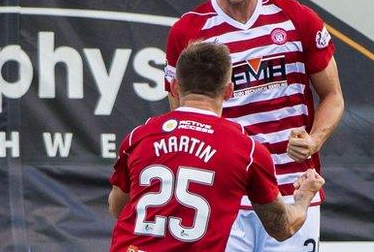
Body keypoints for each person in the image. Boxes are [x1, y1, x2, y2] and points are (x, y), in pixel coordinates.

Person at [164, 0, 344, 252]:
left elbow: (334, 96)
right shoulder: (188, 33)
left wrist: (315, 139)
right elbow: (182, 119)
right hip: (223, 196)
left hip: (293, 190)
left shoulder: (297, 18)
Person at [109, 42, 325, 252]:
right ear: (229, 90)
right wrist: (304, 196)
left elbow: (118, 208)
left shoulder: (139, 137)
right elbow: (282, 227)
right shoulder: (246, 150)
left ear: (175, 86)